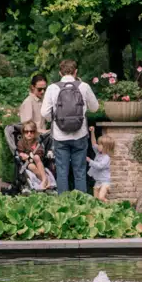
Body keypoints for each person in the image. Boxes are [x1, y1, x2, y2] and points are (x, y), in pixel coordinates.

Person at [41, 59, 101, 194]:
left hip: (60, 136)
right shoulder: (84, 86)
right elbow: (95, 108)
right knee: (80, 171)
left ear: (60, 73)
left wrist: (54, 120)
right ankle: (81, 203)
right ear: (76, 72)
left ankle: (64, 203)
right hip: (80, 135)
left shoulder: (52, 88)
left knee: (62, 171)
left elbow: (44, 113)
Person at [16, 120, 55, 192]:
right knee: (31, 166)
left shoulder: (37, 141)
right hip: (27, 162)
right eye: (26, 132)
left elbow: (41, 152)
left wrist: (32, 156)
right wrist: (23, 155)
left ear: (35, 132)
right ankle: (45, 180)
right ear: (23, 132)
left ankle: (44, 180)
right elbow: (20, 152)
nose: (29, 133)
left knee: (36, 157)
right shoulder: (21, 142)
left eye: (32, 131)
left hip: (38, 160)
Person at [89, 133, 114, 201]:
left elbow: (100, 166)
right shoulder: (98, 153)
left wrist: (90, 161)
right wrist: (92, 132)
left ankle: (110, 205)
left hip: (105, 182)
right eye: (99, 144)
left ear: (106, 147)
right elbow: (93, 143)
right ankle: (103, 207)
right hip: (98, 181)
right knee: (96, 199)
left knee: (101, 197)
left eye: (100, 145)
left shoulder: (106, 158)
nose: (98, 146)